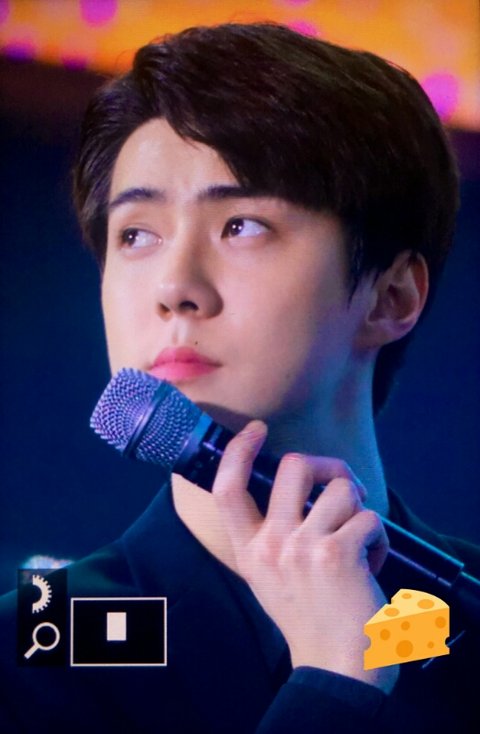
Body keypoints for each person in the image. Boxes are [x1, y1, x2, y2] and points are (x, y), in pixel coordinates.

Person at [1, 22, 479, 733]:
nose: (174, 287)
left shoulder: (466, 615)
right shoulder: (36, 646)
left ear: (391, 297)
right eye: (136, 235)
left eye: (242, 226)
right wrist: (332, 681)